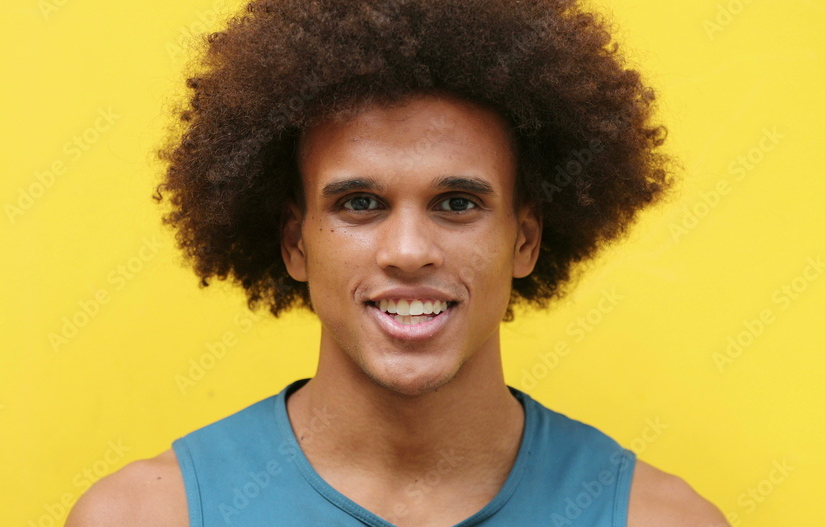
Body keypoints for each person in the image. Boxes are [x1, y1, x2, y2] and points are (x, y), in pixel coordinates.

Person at [67, 0, 728, 525]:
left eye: (457, 202)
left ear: (524, 239)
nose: (409, 251)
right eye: (360, 203)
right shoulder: (146, 515)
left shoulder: (658, 519)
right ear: (296, 243)